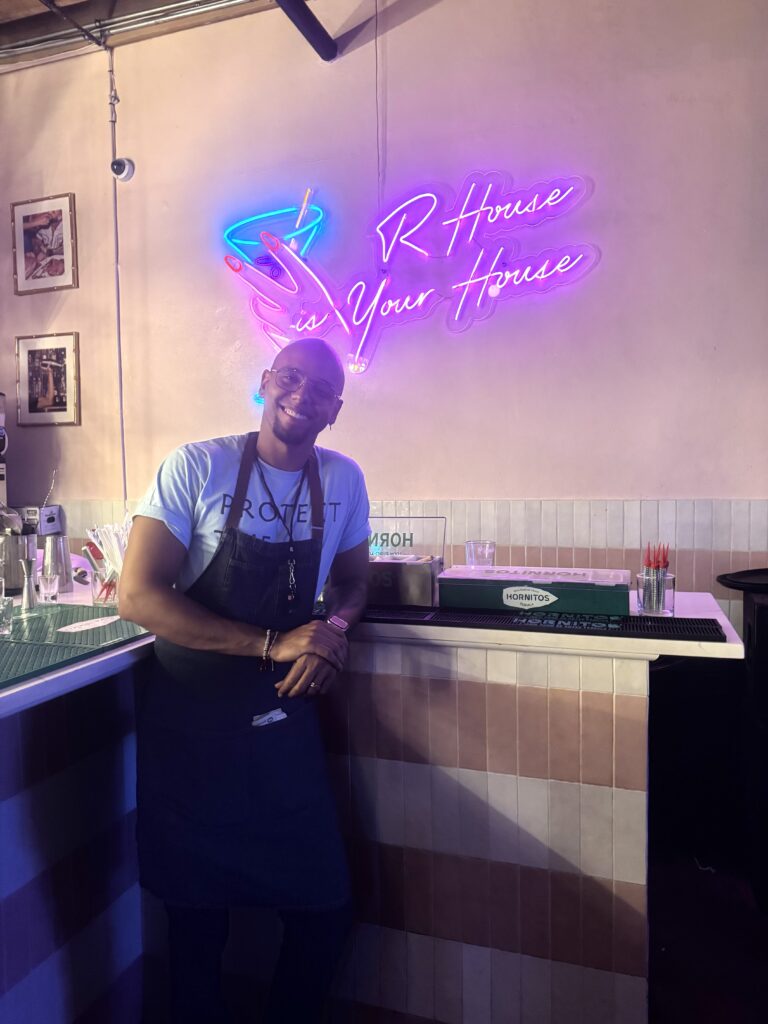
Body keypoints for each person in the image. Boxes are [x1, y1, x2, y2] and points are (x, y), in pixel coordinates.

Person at [119, 338, 370, 1024]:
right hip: (192, 732)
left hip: (282, 730)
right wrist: (272, 643)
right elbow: (138, 595)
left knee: (325, 911)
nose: (302, 393)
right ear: (265, 382)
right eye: (291, 376)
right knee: (197, 927)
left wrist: (331, 632)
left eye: (322, 389)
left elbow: (353, 584)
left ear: (336, 410)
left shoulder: (343, 480)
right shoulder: (197, 466)